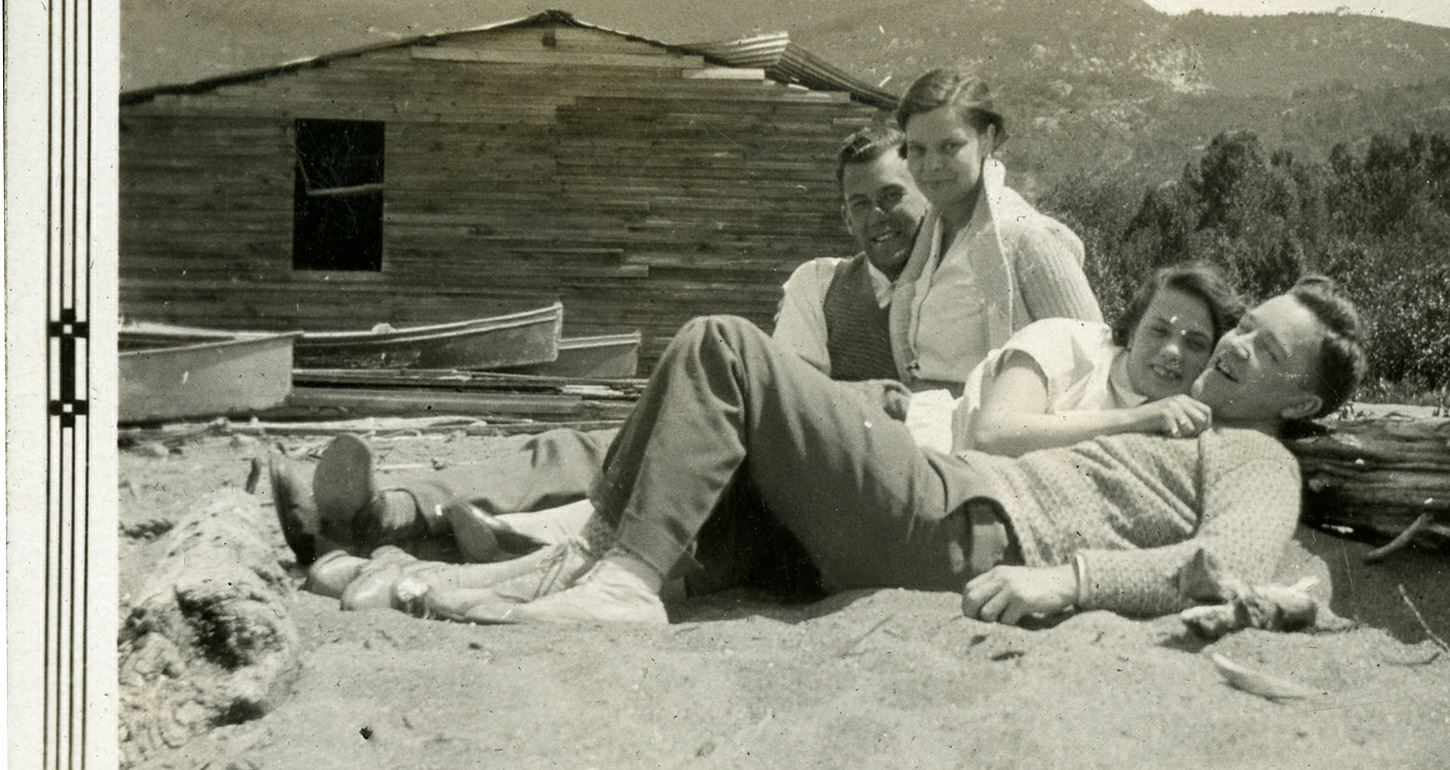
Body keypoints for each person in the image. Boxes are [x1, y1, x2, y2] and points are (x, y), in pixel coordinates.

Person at [392, 276, 1369, 628]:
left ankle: (619, 585)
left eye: (1267, 349)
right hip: (946, 509)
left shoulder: (1257, 459)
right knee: (718, 463)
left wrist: (1072, 579)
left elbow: (1236, 564)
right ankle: (581, 566)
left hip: (973, 524)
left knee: (723, 347)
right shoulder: (1181, 422)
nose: (1235, 344)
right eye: (1248, 325)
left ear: (1302, 396)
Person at [269, 125, 929, 563]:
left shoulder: (960, 280)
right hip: (799, 457)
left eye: (892, 196)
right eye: (858, 204)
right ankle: (386, 511)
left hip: (872, 492)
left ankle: (379, 535)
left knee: (651, 508)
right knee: (595, 446)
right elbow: (791, 396)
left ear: (927, 193)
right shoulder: (820, 282)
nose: (876, 218)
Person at [886, 69, 1102, 393]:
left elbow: (1092, 362)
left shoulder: (1025, 238)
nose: (931, 165)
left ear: (986, 140)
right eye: (917, 149)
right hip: (925, 423)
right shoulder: (928, 241)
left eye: (949, 147)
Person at [951, 260, 1244, 455]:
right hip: (933, 451)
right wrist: (1137, 419)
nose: (1171, 351)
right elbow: (991, 434)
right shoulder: (1065, 340)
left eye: (1194, 343)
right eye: (1158, 330)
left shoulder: (1191, 419)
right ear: (1131, 331)